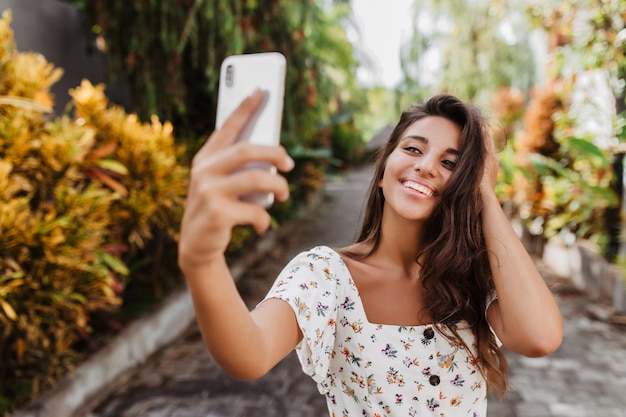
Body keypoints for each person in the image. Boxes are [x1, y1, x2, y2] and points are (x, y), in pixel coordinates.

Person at [178, 90, 563, 416]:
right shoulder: (324, 275)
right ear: (382, 172)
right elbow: (249, 354)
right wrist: (202, 262)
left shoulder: (475, 278)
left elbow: (540, 337)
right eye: (413, 149)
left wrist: (485, 195)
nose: (426, 166)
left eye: (450, 163)